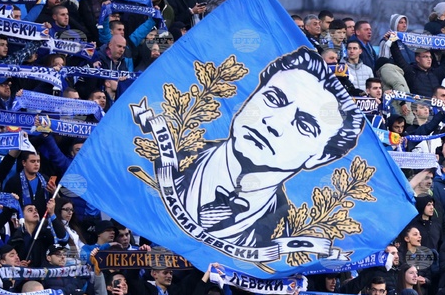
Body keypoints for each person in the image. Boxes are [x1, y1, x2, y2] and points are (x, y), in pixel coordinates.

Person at [145, 48, 366, 254]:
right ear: (253, 93)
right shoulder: (161, 161)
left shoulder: (288, 230)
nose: (273, 122)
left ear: (321, 156)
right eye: (273, 99)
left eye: (304, 125)